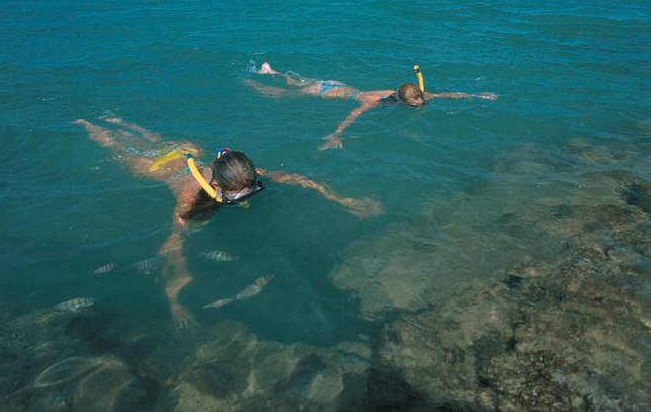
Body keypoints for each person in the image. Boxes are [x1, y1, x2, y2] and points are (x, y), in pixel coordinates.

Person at [74, 116, 382, 326]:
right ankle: (88, 123)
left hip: (186, 150)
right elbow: (173, 241)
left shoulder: (242, 174)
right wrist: (175, 292)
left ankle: (119, 120)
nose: (246, 198)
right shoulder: (189, 197)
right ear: (218, 188)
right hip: (154, 166)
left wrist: (344, 200)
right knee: (115, 144)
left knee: (146, 136)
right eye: (239, 197)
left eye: (251, 191)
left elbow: (296, 177)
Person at [246, 62, 498, 150]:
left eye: (420, 100)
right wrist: (336, 135)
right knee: (280, 95)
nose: (420, 104)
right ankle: (251, 82)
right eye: (414, 103)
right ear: (402, 100)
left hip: (338, 84)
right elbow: (353, 114)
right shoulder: (375, 102)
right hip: (327, 92)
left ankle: (271, 70)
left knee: (297, 81)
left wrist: (477, 96)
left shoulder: (419, 95)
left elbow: (446, 95)